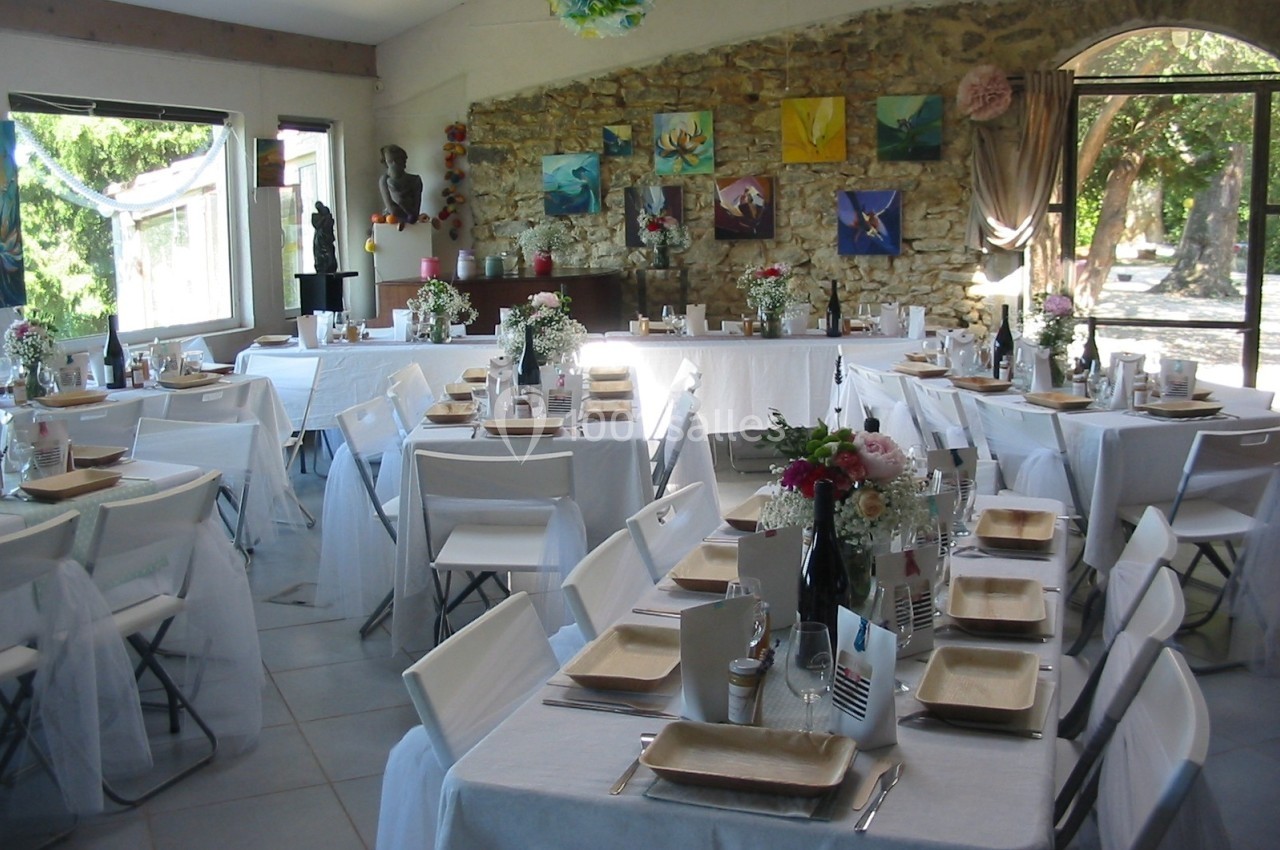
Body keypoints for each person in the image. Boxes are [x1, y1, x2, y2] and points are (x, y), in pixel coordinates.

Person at [379, 144, 423, 229]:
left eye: (398, 160)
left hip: (410, 223)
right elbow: (393, 210)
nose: (394, 164)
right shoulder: (384, 180)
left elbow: (414, 213)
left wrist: (399, 200)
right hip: (392, 221)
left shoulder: (415, 180)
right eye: (390, 161)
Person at [312, 201, 337, 274]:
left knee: (330, 257)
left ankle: (329, 266)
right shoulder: (317, 218)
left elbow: (330, 226)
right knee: (323, 258)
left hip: (326, 239)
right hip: (321, 240)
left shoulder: (327, 218)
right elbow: (317, 225)